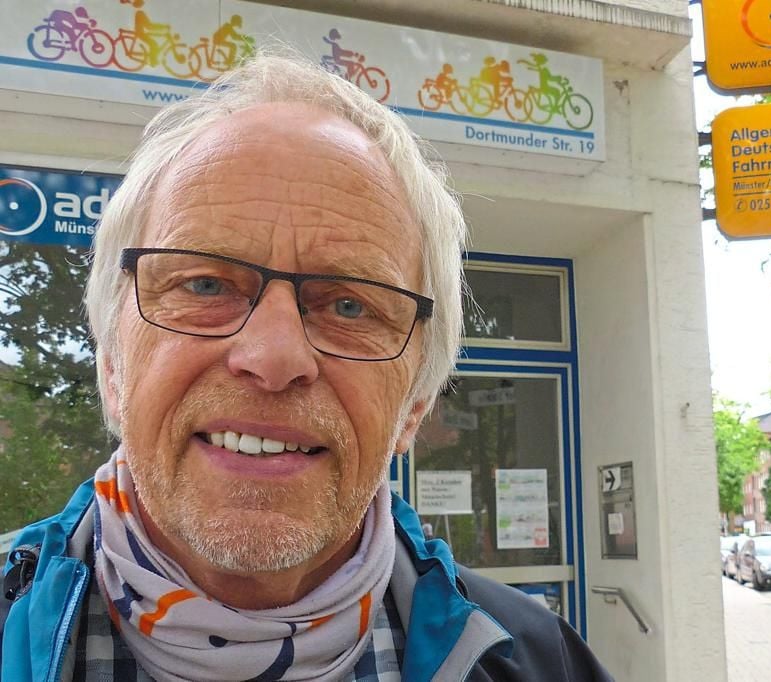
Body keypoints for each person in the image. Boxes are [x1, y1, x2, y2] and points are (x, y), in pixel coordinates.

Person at [0, 51, 612, 681]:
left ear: (415, 406)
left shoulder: (545, 663)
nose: (273, 358)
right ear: (112, 368)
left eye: (349, 305)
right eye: (205, 285)